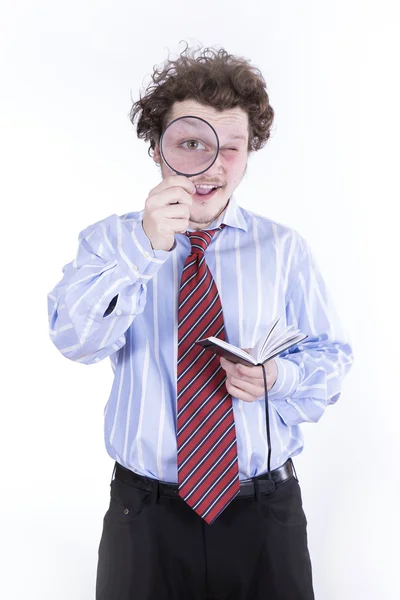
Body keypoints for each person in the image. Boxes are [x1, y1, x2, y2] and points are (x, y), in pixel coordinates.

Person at [47, 44, 354, 600]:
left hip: (264, 511)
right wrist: (145, 249)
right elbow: (76, 340)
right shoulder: (110, 243)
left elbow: (332, 355)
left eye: (230, 148)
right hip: (144, 516)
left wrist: (277, 380)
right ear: (159, 149)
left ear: (249, 152)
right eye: (191, 143)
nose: (211, 166)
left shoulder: (283, 249)